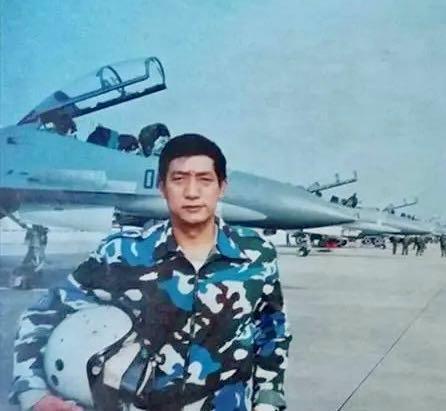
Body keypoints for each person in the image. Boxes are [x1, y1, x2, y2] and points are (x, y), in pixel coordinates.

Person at [10, 134, 292, 411]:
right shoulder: (123, 253)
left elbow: (272, 329)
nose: (192, 192)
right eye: (178, 179)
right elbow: (43, 313)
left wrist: (268, 399)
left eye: (205, 180)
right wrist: (32, 392)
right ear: (162, 187)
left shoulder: (255, 254)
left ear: (222, 187)